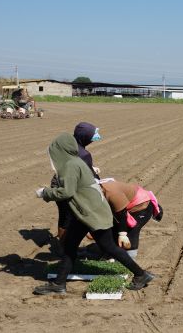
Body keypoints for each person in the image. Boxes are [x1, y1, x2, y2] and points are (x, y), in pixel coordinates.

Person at [33, 133, 154, 295]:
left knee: (109, 247)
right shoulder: (76, 162)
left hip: (91, 213)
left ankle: (141, 274)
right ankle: (59, 283)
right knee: (70, 247)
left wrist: (45, 193)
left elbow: (66, 192)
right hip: (86, 213)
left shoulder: (70, 165)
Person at [51, 122, 103, 244]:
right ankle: (66, 248)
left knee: (64, 217)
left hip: (57, 184)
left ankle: (63, 245)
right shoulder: (84, 154)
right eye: (91, 138)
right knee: (72, 218)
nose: (92, 141)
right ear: (84, 137)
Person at [99, 178, 163, 259]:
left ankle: (130, 258)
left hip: (141, 205)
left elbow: (122, 215)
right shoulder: (94, 190)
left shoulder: (112, 193)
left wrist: (123, 234)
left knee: (131, 231)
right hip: (124, 205)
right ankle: (112, 255)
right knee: (114, 230)